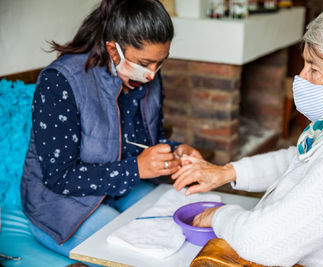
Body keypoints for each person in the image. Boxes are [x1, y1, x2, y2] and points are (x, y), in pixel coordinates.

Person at [172, 6, 323, 267]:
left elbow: (261, 242)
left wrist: (219, 216)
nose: (299, 77)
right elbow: (302, 161)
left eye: (314, 69)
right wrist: (227, 172)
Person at [20, 0, 202, 257]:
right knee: (137, 254)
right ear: (113, 50)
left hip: (120, 187)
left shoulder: (147, 77)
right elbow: (58, 177)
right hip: (60, 203)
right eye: (145, 63)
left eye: (160, 63)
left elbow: (147, 141)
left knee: (181, 227)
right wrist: (138, 167)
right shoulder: (60, 82)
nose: (152, 75)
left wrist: (175, 152)